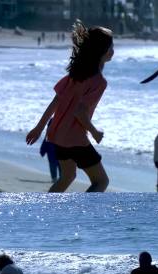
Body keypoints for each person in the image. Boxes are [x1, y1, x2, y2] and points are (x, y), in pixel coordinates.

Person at [26, 20, 113, 192]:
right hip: (75, 140)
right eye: (110, 47)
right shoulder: (99, 82)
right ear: (101, 51)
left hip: (56, 135)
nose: (113, 51)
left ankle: (46, 210)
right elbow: (80, 112)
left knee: (67, 177)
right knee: (101, 181)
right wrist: (95, 132)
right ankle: (83, 216)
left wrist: (39, 128)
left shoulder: (75, 75)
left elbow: (55, 102)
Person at [40, 118, 60, 182]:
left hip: (55, 154)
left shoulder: (49, 135)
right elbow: (45, 143)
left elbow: (44, 143)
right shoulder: (49, 136)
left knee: (54, 166)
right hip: (56, 154)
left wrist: (42, 151)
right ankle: (56, 178)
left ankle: (56, 178)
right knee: (56, 166)